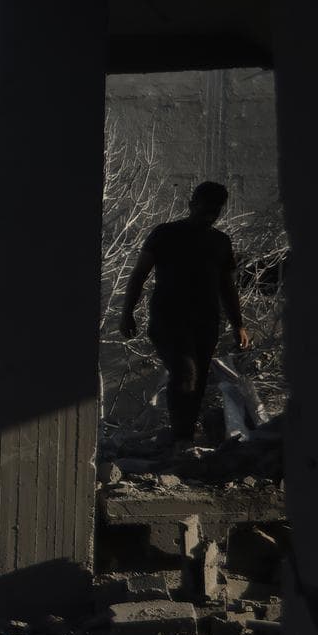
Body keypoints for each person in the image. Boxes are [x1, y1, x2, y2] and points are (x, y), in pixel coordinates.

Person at [119, 181, 250, 454]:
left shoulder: (220, 242)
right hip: (169, 319)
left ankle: (185, 438)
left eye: (215, 210)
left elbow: (227, 287)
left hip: (205, 322)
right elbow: (139, 274)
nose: (210, 215)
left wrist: (238, 325)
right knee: (185, 372)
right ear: (192, 204)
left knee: (197, 379)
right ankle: (181, 439)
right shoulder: (165, 234)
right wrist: (127, 312)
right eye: (206, 207)